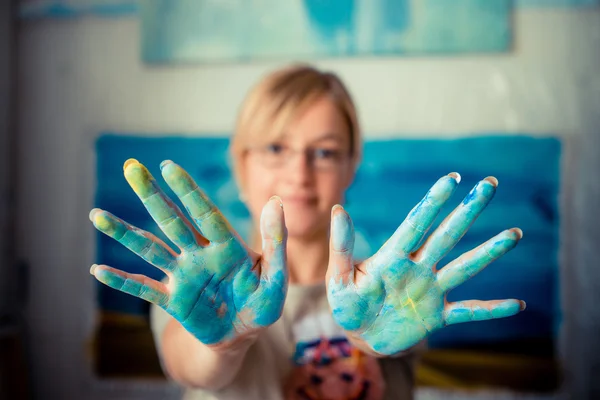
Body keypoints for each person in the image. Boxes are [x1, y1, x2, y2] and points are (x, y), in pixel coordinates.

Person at [88, 64, 526, 400]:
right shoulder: (198, 289)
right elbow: (193, 366)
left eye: (324, 152)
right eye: (276, 148)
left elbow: (390, 336)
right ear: (241, 166)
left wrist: (367, 339)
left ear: (351, 166)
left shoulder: (394, 293)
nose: (299, 173)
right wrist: (223, 343)